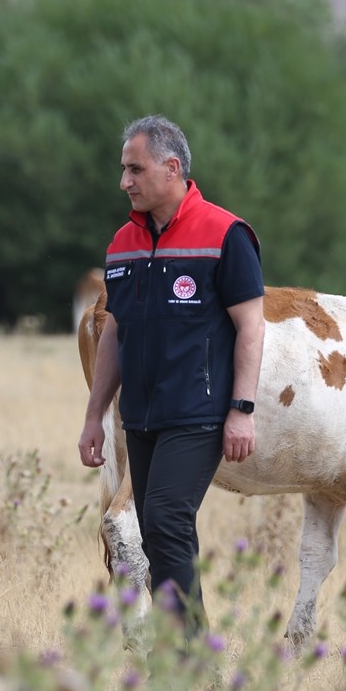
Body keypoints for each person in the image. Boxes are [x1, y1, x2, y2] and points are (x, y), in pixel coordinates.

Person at [78, 115, 265, 639]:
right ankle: (193, 653)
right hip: (139, 415)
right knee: (163, 532)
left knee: (162, 520)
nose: (125, 182)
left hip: (199, 413)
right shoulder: (122, 243)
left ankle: (180, 660)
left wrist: (242, 410)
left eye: (135, 169)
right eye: (123, 170)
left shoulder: (226, 234)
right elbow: (115, 329)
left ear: (172, 167)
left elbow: (251, 326)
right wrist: (95, 416)